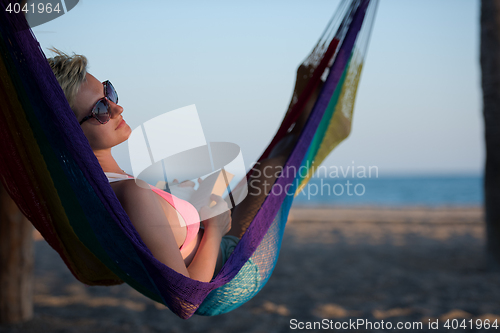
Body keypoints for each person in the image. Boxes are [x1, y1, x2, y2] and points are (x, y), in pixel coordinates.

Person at [47, 49, 320, 283]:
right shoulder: (131, 192)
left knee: (268, 163)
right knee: (278, 163)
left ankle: (305, 111)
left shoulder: (109, 182)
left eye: (109, 93)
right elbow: (186, 297)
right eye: (100, 110)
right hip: (231, 264)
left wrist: (193, 205)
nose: (118, 109)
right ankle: (311, 109)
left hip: (215, 235)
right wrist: (213, 229)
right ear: (71, 132)